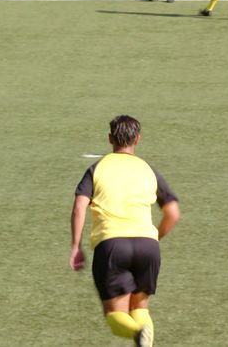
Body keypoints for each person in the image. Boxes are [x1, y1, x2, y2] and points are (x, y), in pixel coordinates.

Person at [69, 115, 180, 347]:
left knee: (114, 315)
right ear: (137, 139)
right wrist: (154, 238)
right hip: (148, 246)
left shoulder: (97, 168)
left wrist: (76, 246)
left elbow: (80, 206)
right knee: (140, 307)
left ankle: (138, 333)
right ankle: (143, 333)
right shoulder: (148, 169)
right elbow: (173, 213)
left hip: (112, 245)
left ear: (110, 139)